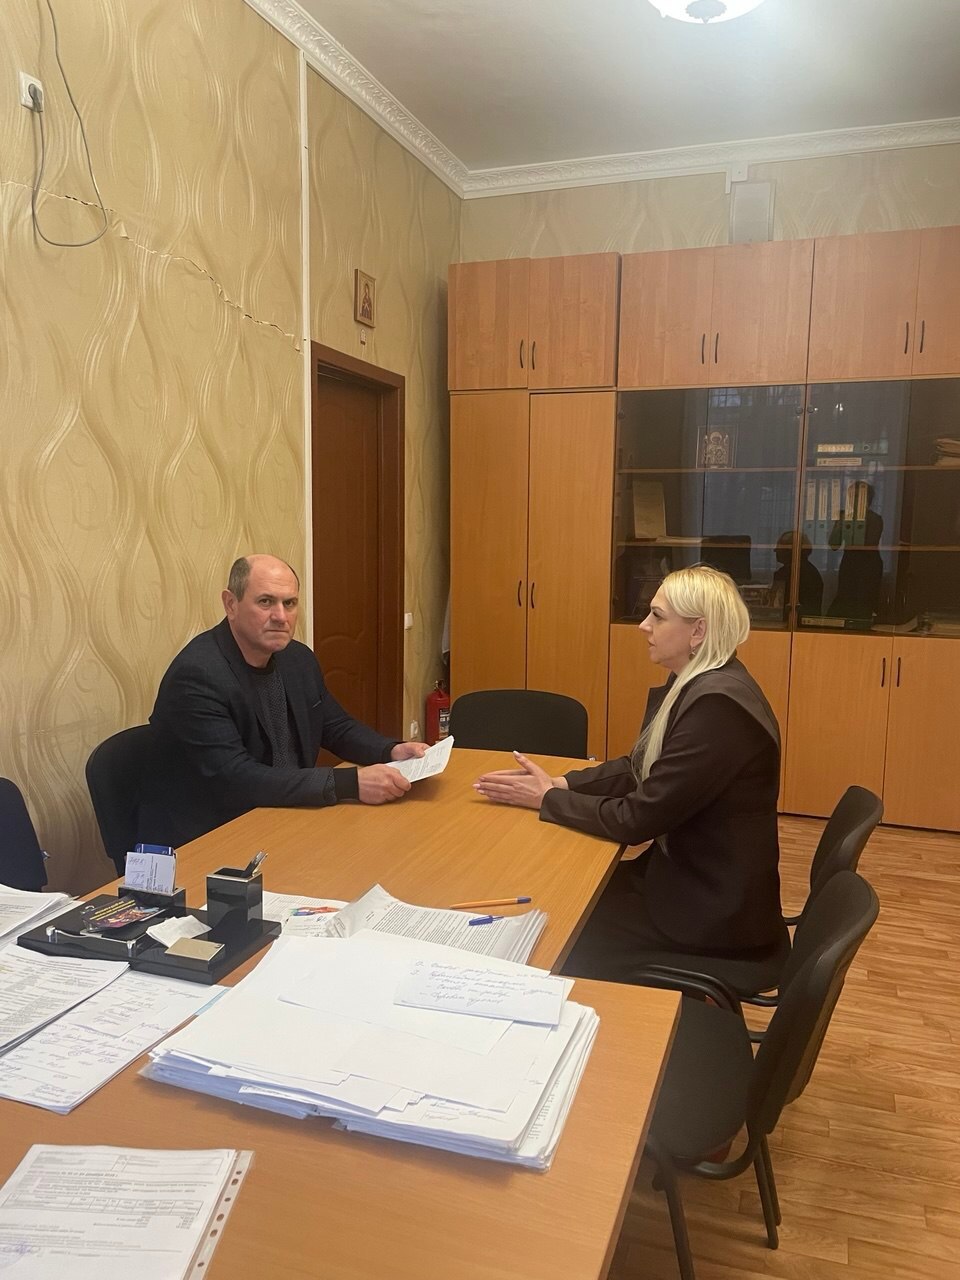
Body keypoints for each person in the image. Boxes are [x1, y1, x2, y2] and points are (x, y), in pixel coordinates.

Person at [473, 564, 785, 980]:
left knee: (558, 928)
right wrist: (561, 783)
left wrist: (547, 798)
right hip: (689, 881)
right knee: (566, 893)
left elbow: (636, 819)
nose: (643, 626)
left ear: (698, 631)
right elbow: (638, 767)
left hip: (711, 913)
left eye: (658, 616)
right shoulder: (703, 681)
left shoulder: (718, 707)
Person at [140, 554, 425, 848]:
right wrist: (350, 783)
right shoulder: (197, 676)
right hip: (210, 835)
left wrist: (391, 750)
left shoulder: (296, 658)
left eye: (289, 603)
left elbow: (334, 726)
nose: (281, 616)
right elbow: (237, 778)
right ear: (231, 604)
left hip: (283, 815)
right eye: (266, 602)